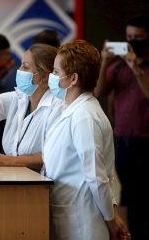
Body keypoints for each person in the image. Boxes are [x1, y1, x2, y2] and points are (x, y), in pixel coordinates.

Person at [43, 40, 130, 240]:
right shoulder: (70, 110)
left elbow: (97, 178)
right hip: (68, 215)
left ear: (73, 78)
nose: (52, 77)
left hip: (83, 223)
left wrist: (112, 220)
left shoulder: (85, 117)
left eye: (56, 72)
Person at [93, 14, 149, 239]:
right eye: (129, 37)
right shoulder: (117, 67)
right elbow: (99, 92)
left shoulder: (139, 66)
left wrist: (136, 67)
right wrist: (105, 60)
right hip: (123, 139)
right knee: (129, 194)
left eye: (138, 37)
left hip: (147, 139)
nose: (132, 40)